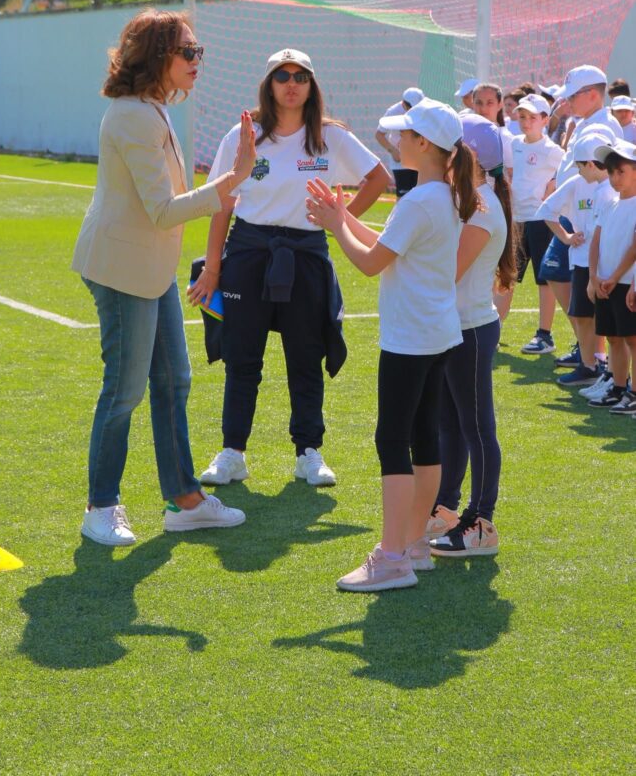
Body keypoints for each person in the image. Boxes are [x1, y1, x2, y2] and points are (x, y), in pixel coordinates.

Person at [72, 8, 257, 546]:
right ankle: (101, 505)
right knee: (124, 391)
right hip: (123, 269)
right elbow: (161, 210)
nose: (198, 60)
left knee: (173, 380)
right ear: (158, 57)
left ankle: (185, 499)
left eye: (198, 51)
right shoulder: (132, 114)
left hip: (148, 270)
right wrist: (230, 183)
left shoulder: (152, 108)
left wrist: (233, 178)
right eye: (189, 52)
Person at [191, 48, 389, 488]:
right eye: (283, 75)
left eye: (301, 75)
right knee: (242, 357)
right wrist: (213, 267)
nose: (292, 83)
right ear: (269, 84)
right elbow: (221, 205)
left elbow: (379, 178)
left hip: (305, 254)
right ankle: (232, 452)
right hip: (248, 252)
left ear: (312, 84)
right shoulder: (243, 135)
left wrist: (338, 221)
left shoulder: (330, 136)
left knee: (305, 356)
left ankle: (308, 452)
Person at [306, 98, 479, 591]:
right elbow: (390, 245)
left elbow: (370, 262)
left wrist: (336, 223)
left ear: (424, 144)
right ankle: (412, 547)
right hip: (434, 334)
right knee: (423, 437)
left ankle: (392, 558)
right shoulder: (438, 195)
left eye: (405, 134)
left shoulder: (422, 199)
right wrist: (343, 216)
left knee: (393, 440)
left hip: (412, 339)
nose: (397, 140)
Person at [428, 114, 515, 557]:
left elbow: (449, 271)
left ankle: (481, 522)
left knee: (477, 427)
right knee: (451, 425)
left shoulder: (484, 206)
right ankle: (445, 508)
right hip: (453, 328)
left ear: (470, 156)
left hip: (472, 330)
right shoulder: (469, 199)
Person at [535, 130, 616, 388]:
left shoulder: (612, 188)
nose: (578, 171)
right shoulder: (576, 184)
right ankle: (590, 365)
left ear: (591, 164)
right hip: (581, 262)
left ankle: (604, 369)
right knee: (582, 316)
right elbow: (546, 210)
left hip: (606, 266)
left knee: (607, 322)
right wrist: (567, 237)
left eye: (580, 166)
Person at [508, 93, 564, 353]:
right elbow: (511, 173)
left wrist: (551, 188)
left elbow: (565, 177)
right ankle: (490, 327)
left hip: (540, 220)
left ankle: (545, 335)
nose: (526, 122)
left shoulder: (553, 151)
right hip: (517, 219)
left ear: (545, 120)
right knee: (507, 274)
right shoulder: (515, 144)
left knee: (544, 280)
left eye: (532, 117)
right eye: (522, 116)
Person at [587, 138, 636, 414]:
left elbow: (634, 247)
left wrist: (615, 277)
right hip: (606, 283)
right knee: (615, 338)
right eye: (611, 172)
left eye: (622, 172)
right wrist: (594, 277)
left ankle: (633, 394)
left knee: (632, 339)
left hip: (626, 283)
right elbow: (596, 242)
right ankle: (618, 388)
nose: (615, 178)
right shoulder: (609, 205)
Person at [375, 86, 424, 197]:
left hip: (419, 160)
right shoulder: (393, 111)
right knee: (403, 197)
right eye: (411, 107)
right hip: (401, 162)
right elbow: (379, 135)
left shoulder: (423, 111)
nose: (414, 110)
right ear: (404, 104)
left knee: (420, 196)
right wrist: (393, 151)